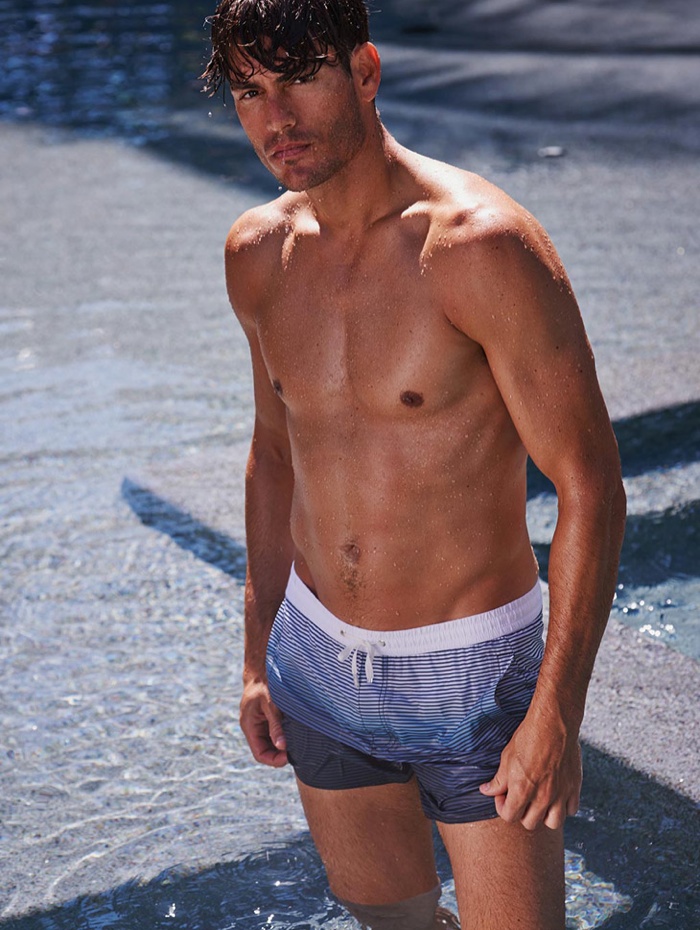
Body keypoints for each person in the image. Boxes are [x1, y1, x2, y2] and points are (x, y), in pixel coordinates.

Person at [202, 2, 626, 927]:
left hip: (473, 677)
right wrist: (258, 655)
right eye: (249, 91)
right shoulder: (257, 255)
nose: (276, 118)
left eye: (300, 79)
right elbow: (274, 454)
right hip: (316, 664)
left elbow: (590, 483)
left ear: (365, 71)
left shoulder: (480, 248)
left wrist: (558, 711)